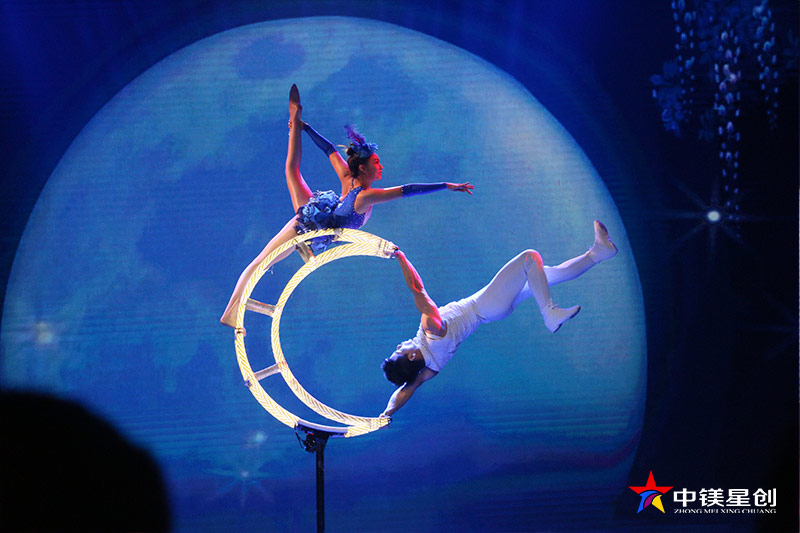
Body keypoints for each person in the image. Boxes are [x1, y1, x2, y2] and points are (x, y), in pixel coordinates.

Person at [220, 85, 473, 330]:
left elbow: (329, 149)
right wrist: (444, 185)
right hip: (306, 228)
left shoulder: (348, 179)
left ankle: (294, 126)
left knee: (291, 170)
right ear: (363, 167)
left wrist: (306, 128)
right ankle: (230, 313)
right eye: (377, 162)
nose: (381, 166)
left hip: (317, 219)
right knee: (262, 261)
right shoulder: (364, 196)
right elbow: (407, 190)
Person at [379, 220, 619, 418]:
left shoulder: (431, 368)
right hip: (485, 305)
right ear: (411, 356)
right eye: (399, 351)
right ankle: (549, 314)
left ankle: (598, 253)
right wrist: (401, 256)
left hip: (492, 311)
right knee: (529, 258)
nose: (399, 345)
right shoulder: (431, 329)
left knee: (545, 275)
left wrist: (387, 412)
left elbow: (407, 389)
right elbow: (417, 289)